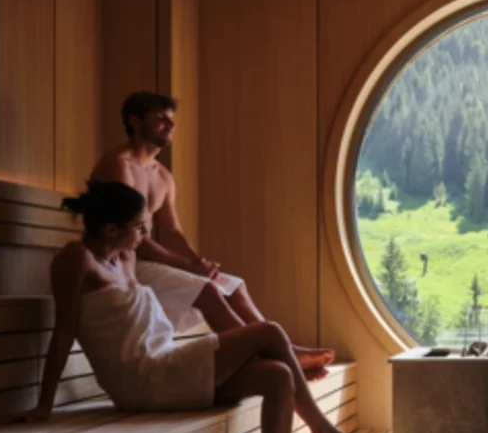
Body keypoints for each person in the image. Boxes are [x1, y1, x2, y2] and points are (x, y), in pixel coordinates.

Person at [8, 182, 369, 433]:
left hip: (166, 364)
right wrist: (45, 403)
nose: (145, 234)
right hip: (142, 378)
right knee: (269, 332)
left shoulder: (125, 257)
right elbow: (63, 331)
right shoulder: (75, 261)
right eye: (139, 226)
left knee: (276, 377)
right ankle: (321, 430)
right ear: (110, 229)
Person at [91, 91, 333, 379]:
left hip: (142, 263)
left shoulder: (163, 176)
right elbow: (133, 240)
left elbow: (171, 232)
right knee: (206, 290)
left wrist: (199, 263)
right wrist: (189, 269)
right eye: (160, 120)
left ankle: (284, 351)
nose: (170, 125)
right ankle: (263, 353)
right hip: (119, 266)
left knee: (234, 285)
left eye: (171, 120)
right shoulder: (120, 164)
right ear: (134, 121)